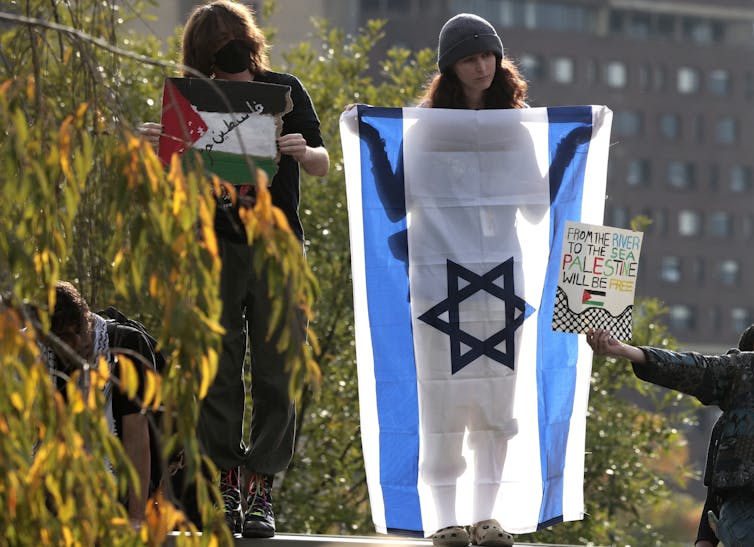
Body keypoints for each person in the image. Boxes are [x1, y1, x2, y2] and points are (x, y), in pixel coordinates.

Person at [140, 0, 329, 538]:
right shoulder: (191, 98)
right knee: (217, 372)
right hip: (212, 249)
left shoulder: (284, 88)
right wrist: (155, 150)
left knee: (279, 370)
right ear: (202, 60)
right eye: (219, 57)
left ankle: (260, 485)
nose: (234, 65)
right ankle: (223, 478)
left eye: (239, 50)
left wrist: (304, 150)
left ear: (252, 45)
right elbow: (170, 191)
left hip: (277, 249)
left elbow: (321, 161)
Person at [413, 13, 527, 547]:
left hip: (502, 281)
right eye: (469, 58)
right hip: (440, 281)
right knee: (443, 404)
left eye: (489, 56)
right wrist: (369, 133)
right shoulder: (426, 130)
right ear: (449, 67)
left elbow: (535, 206)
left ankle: (488, 517)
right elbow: (398, 199)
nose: (483, 67)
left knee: (495, 406)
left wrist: (573, 145)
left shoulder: (516, 125)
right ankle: (443, 521)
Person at [586, 327, 754, 547]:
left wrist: (626, 351)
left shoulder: (742, 375)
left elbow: (697, 369)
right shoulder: (732, 422)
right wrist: (705, 539)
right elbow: (719, 485)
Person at [46, 281, 156, 525]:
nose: (79, 339)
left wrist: (137, 519)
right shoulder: (34, 358)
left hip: (118, 491)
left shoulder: (127, 346)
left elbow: (137, 440)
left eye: (81, 328)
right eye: (66, 336)